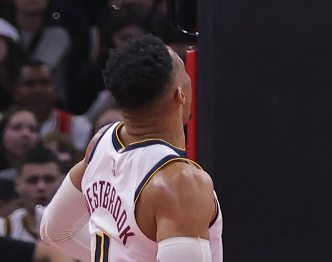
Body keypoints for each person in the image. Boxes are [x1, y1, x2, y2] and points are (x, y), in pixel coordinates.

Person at [40, 34, 223, 262]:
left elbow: (55, 229)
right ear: (180, 94)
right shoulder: (179, 183)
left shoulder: (101, 142)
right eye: (184, 71)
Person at [0, 146, 64, 242]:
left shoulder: (81, 225)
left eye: (49, 179)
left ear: (62, 182)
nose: (41, 187)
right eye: (32, 180)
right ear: (17, 185)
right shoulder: (1, 230)